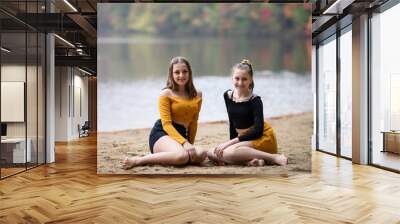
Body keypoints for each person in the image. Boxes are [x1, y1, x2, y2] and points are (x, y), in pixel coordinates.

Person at [123, 56, 206, 169]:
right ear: (171, 74)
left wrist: (189, 144)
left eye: (184, 71)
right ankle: (139, 160)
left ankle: (178, 153)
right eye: (177, 72)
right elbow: (166, 124)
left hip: (182, 135)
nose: (181, 75)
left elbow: (193, 122)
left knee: (201, 154)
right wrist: (185, 144)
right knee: (182, 156)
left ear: (189, 73)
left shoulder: (198, 94)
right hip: (162, 133)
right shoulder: (166, 94)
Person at [207, 59, 287, 166]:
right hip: (244, 139)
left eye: (244, 79)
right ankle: (251, 160)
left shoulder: (255, 100)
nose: (240, 83)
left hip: (262, 138)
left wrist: (230, 144)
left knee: (229, 152)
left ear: (251, 80)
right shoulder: (228, 96)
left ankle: (274, 157)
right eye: (237, 78)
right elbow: (232, 122)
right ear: (232, 78)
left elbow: (258, 131)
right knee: (211, 153)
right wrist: (230, 144)